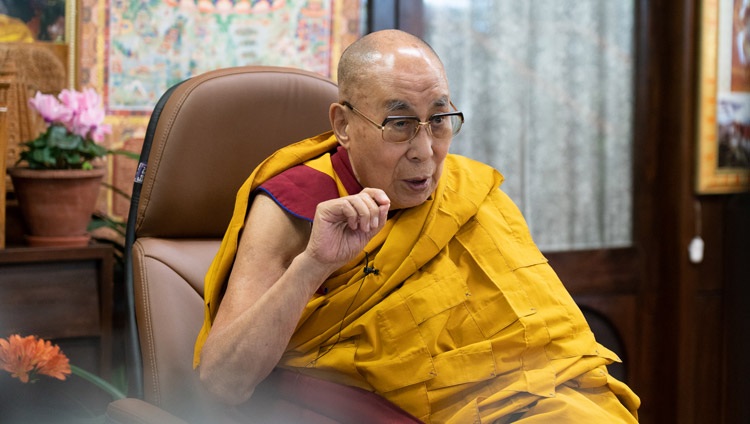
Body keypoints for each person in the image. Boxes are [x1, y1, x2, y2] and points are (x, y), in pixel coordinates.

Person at [194, 29, 640, 423]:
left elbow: (547, 351)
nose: (425, 151)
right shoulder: (296, 203)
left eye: (440, 120)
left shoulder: (471, 193)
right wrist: (312, 265)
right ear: (343, 125)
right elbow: (223, 381)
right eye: (401, 123)